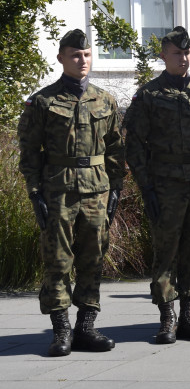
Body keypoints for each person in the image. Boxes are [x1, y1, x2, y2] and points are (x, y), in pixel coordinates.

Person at [17, 29, 124, 357]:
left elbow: (116, 148)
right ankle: (61, 330)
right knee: (58, 260)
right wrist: (35, 192)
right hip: (58, 191)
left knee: (93, 258)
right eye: (76, 55)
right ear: (61, 57)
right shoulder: (44, 101)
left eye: (87, 55)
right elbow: (29, 151)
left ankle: (86, 326)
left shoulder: (105, 100)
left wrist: (116, 189)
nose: (82, 60)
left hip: (96, 191)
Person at [124, 27, 190, 343]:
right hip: (165, 186)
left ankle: (189, 317)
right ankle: (167, 318)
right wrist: (146, 187)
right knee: (166, 251)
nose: (183, 59)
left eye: (186, 53)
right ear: (163, 55)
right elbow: (135, 145)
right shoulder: (149, 96)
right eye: (176, 53)